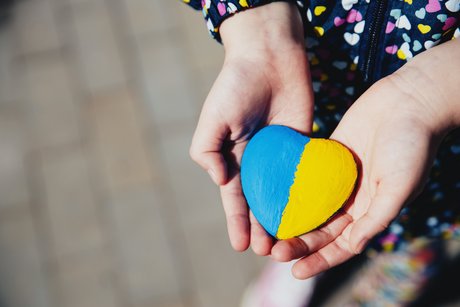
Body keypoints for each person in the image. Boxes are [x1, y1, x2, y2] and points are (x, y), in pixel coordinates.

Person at [184, 0, 460, 305]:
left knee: (412, 245)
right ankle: (298, 239)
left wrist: (434, 92)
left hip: (446, 164)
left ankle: (386, 289)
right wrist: (257, 24)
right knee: (321, 227)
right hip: (308, 92)